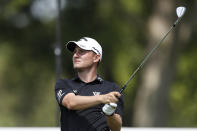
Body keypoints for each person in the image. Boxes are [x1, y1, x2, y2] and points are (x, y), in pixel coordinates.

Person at [55, 37, 124, 131]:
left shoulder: (112, 88)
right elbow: (70, 102)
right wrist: (102, 98)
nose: (75, 55)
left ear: (96, 57)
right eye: (75, 52)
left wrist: (110, 113)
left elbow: (116, 128)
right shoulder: (64, 84)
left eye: (82, 51)